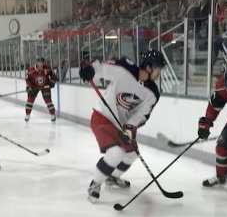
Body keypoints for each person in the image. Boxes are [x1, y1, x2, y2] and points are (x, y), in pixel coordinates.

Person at [77, 50, 166, 203]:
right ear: (149, 67)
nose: (159, 73)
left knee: (131, 154)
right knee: (116, 153)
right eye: (158, 69)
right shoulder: (125, 69)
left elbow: (142, 115)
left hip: (121, 125)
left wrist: (129, 128)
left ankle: (112, 178)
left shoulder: (153, 93)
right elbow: (101, 69)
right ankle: (95, 184)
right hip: (103, 117)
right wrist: (89, 70)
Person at [24, 57, 58, 122]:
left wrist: (52, 82)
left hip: (45, 86)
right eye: (39, 63)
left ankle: (52, 115)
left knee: (48, 101)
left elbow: (53, 76)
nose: (41, 64)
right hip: (34, 86)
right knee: (30, 101)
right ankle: (27, 114)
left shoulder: (47, 68)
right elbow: (28, 80)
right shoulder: (31, 70)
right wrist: (28, 87)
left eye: (42, 63)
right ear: (37, 63)